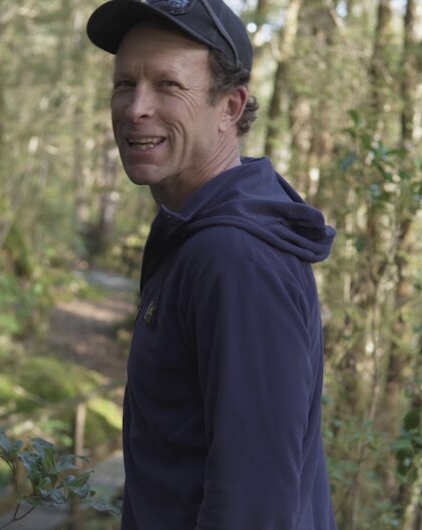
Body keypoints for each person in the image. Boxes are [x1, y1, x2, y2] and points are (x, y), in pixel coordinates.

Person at [86, 1, 339, 528]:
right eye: (124, 84)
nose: (136, 108)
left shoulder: (235, 260)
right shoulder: (196, 236)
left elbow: (253, 508)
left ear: (229, 106)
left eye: (168, 85)